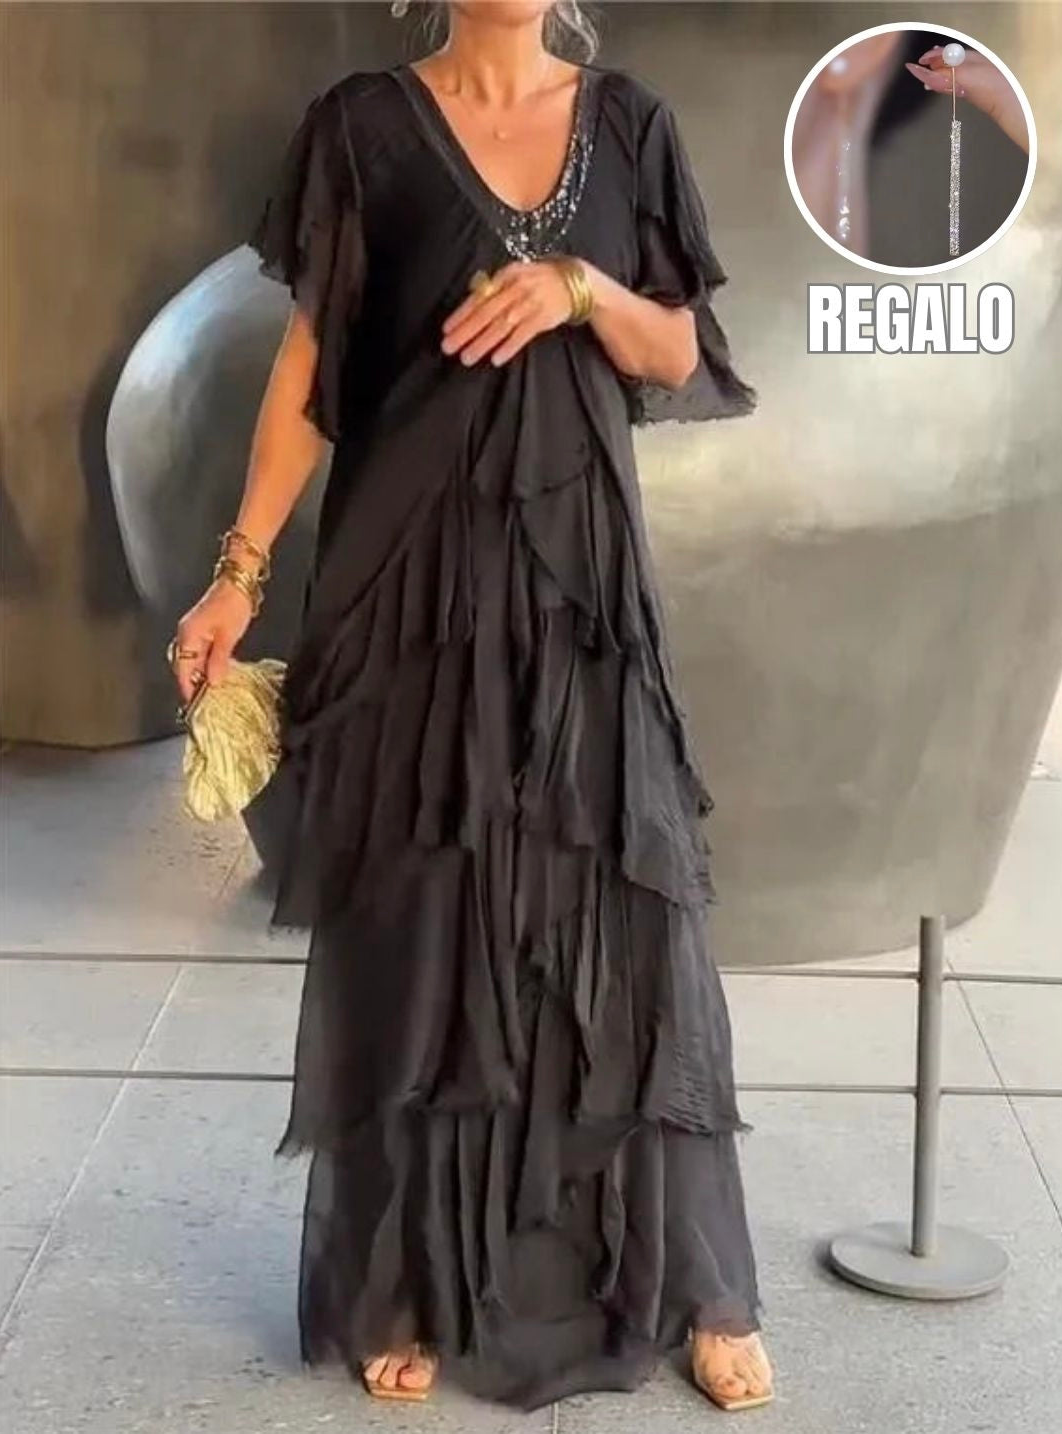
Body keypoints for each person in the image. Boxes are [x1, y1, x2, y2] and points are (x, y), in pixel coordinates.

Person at [168, 0, 774, 1414]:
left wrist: (581, 290)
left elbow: (678, 352)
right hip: (408, 588)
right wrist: (239, 575)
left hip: (581, 603)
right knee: (419, 926)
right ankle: (411, 1283)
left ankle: (692, 1284)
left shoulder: (630, 124)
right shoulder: (362, 129)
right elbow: (309, 371)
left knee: (625, 929)